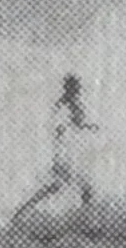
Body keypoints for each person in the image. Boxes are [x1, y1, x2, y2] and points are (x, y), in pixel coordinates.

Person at [11, 74, 98, 225]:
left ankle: (21, 213)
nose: (78, 90)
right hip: (66, 154)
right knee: (74, 188)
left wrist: (87, 127)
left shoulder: (71, 105)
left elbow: (75, 124)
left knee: (63, 187)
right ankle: (21, 214)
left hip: (70, 152)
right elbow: (63, 128)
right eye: (75, 87)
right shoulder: (65, 106)